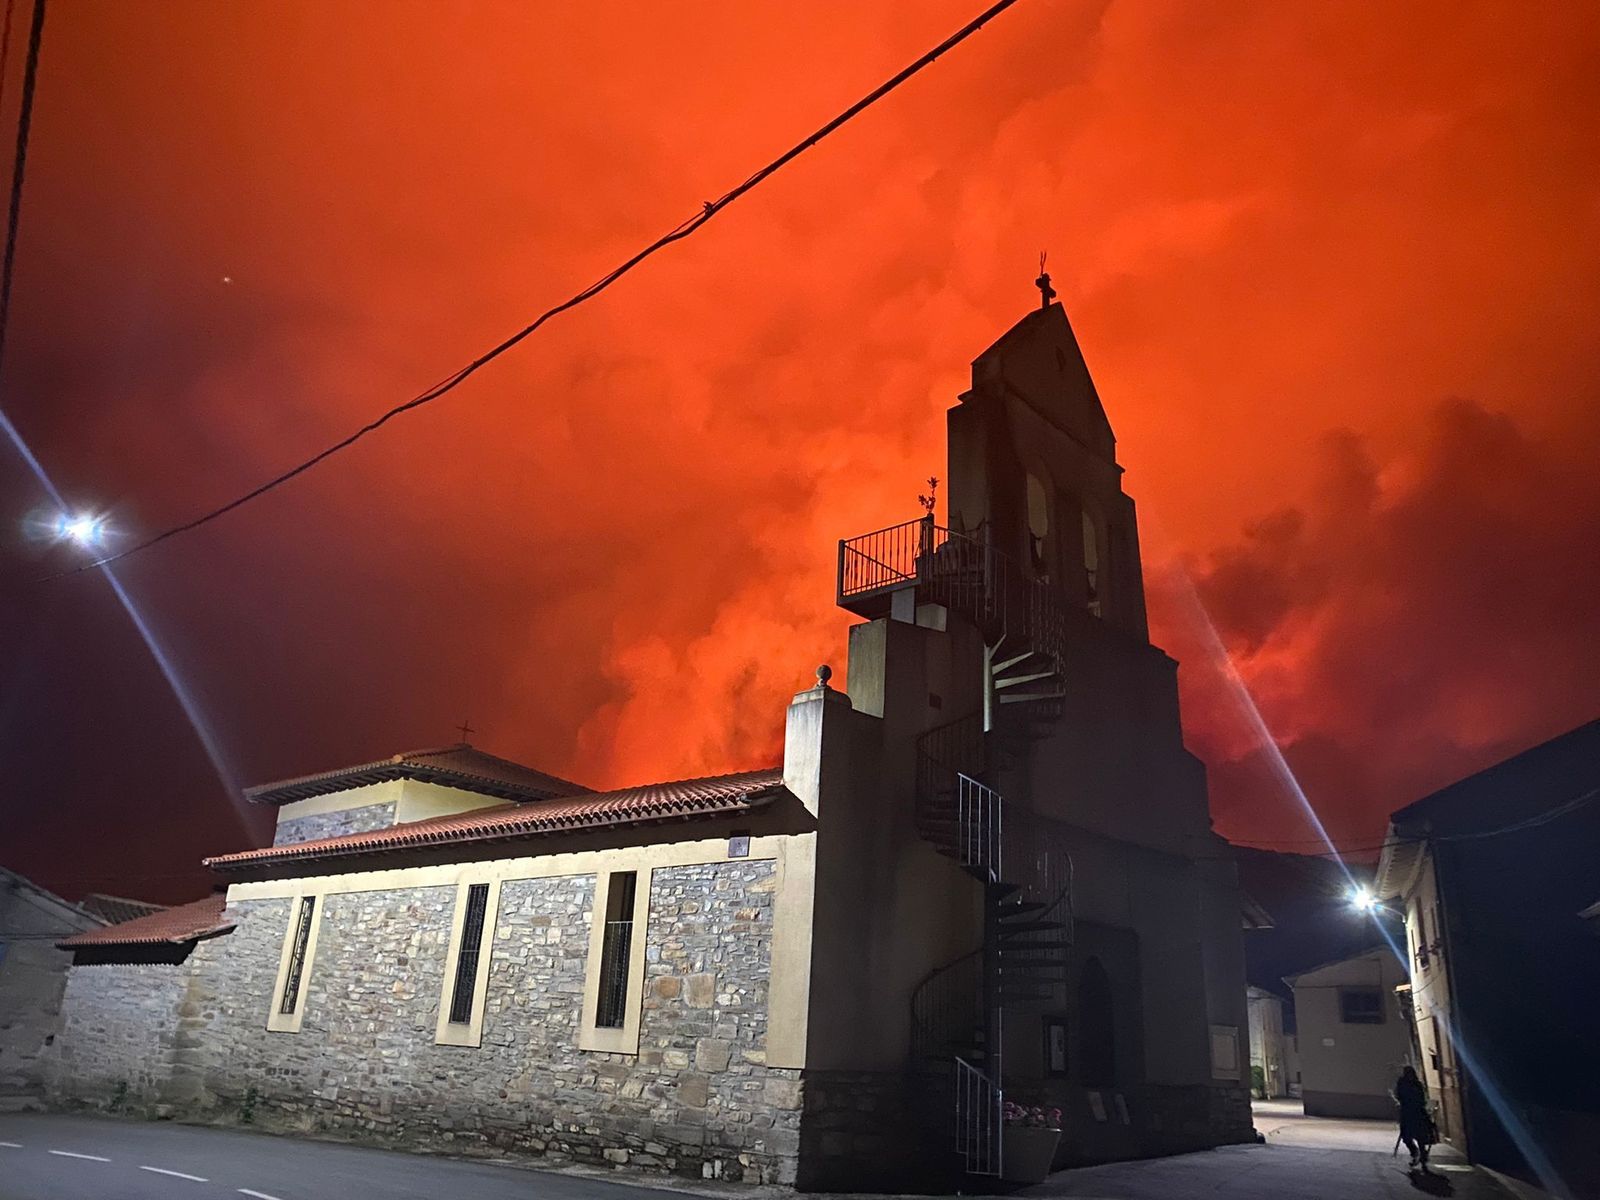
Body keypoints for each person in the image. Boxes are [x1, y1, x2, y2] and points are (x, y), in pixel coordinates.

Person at [1395, 1065, 1433, 1169]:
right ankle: (1415, 1153)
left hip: (1416, 1113)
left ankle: (1422, 1156)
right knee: (1406, 1137)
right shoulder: (1402, 1083)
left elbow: (1422, 1099)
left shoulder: (1417, 1084)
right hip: (1408, 1113)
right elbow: (1399, 1095)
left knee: (1419, 1136)